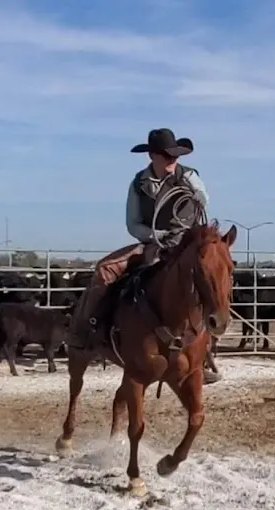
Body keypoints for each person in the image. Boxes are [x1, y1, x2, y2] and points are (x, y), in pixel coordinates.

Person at [67, 128, 221, 382]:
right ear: (152, 156)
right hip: (153, 242)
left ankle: (201, 356)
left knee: (209, 278)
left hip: (186, 244)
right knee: (106, 270)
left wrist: (194, 192)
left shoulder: (190, 177)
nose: (172, 159)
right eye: (165, 154)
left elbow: (203, 199)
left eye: (174, 154)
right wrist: (155, 234)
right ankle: (88, 331)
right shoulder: (139, 184)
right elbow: (133, 223)